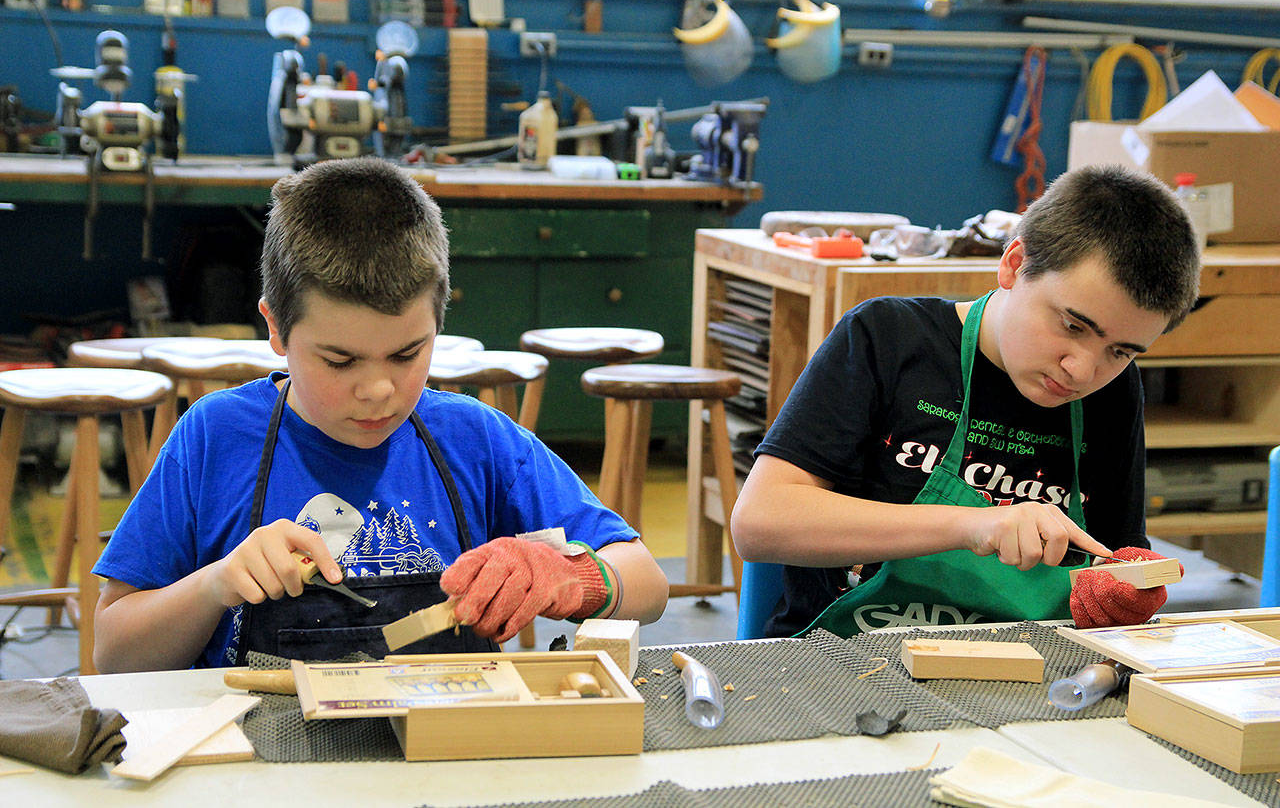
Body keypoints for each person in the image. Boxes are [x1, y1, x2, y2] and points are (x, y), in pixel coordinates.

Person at [93, 157, 668, 671]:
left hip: (446, 754)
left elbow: (649, 584)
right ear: (274, 326)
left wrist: (573, 574)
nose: (377, 390)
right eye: (339, 360)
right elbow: (116, 653)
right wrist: (215, 585)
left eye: (406, 354)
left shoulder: (475, 440)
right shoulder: (214, 438)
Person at [731, 165, 1201, 638]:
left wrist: (1127, 585)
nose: (1082, 370)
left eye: (1120, 351)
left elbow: (1116, 553)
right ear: (1014, 265)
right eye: (1073, 326)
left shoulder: (1113, 392)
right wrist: (974, 525)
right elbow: (759, 523)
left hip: (1030, 663)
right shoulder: (887, 340)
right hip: (843, 660)